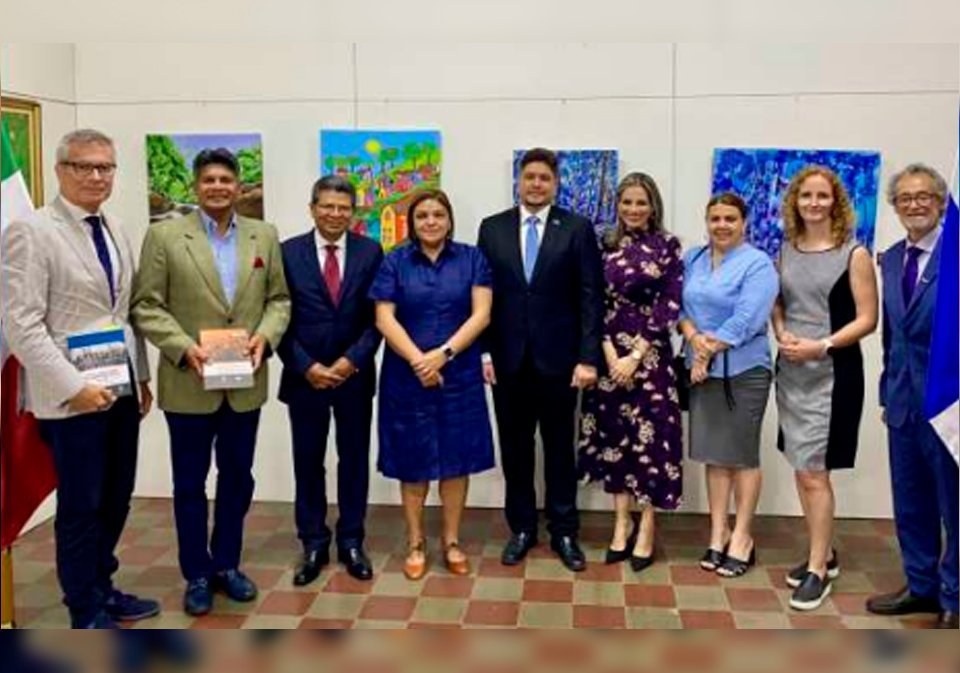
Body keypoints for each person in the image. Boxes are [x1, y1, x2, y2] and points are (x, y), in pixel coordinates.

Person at [1, 129, 158, 628]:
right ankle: (84, 609)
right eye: (83, 166)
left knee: (116, 496)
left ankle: (103, 586)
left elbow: (123, 315)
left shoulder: (115, 228)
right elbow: (22, 326)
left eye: (105, 167)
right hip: (71, 399)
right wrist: (74, 387)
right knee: (81, 505)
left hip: (119, 388)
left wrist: (141, 376)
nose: (96, 176)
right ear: (60, 170)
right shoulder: (31, 231)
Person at [132, 148, 290, 616]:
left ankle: (226, 564)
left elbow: (279, 300)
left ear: (238, 186)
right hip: (188, 382)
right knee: (189, 484)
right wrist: (184, 347)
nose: (218, 187)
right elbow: (146, 305)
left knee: (238, 479)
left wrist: (265, 338)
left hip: (244, 383)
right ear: (195, 186)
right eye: (209, 180)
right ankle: (196, 573)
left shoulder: (264, 235)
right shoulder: (164, 236)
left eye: (226, 179)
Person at [478, 147, 604, 572]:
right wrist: (484, 351)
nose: (536, 184)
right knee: (515, 450)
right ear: (518, 180)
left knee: (559, 450)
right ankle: (522, 529)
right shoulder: (492, 228)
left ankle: (564, 531)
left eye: (544, 178)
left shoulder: (577, 228)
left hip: (561, 363)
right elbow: (481, 296)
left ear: (555, 183)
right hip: (507, 360)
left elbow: (591, 296)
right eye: (529, 176)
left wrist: (588, 358)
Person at [370, 189, 494, 580]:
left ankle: (452, 541)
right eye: (422, 215)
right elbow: (384, 318)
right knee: (413, 462)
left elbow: (482, 315)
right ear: (412, 222)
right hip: (406, 377)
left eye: (438, 214)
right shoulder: (394, 261)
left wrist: (443, 354)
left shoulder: (472, 258)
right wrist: (419, 361)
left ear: (449, 219)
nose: (430, 221)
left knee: (457, 462)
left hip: (459, 375)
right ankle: (416, 542)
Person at [773, 165, 878, 611]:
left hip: (832, 376)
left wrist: (822, 345)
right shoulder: (785, 249)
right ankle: (825, 553)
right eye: (806, 196)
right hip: (791, 373)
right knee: (803, 468)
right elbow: (778, 304)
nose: (814, 203)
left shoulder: (854, 254)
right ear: (794, 202)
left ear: (836, 202)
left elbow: (868, 319)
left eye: (822, 196)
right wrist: (781, 332)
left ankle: (817, 570)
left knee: (815, 473)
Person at [278, 176, 383, 585]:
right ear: (312, 208)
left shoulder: (371, 252)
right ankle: (313, 542)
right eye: (327, 206)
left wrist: (351, 361)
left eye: (343, 207)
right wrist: (306, 366)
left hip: (353, 378)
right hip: (304, 379)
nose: (335, 214)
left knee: (353, 461)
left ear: (353, 212)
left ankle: (352, 540)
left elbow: (378, 318)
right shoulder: (287, 253)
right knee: (308, 462)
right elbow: (277, 316)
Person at [866, 164, 957, 629]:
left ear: (941, 202)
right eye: (905, 198)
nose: (915, 204)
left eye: (924, 196)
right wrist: (887, 391)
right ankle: (921, 587)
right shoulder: (891, 258)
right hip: (902, 400)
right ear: (895, 206)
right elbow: (892, 334)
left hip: (949, 402)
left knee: (953, 504)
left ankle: (954, 595)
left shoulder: (956, 254)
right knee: (911, 499)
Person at [577, 172, 683, 574]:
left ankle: (647, 526)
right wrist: (609, 354)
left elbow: (669, 303)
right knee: (615, 440)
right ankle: (621, 522)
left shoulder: (667, 246)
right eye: (627, 202)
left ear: (653, 205)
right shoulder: (602, 245)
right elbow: (593, 301)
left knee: (652, 445)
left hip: (650, 360)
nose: (634, 209)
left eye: (641, 202)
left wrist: (635, 356)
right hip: (609, 361)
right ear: (617, 205)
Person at [678, 192, 779, 578]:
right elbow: (679, 308)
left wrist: (706, 352)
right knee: (715, 455)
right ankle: (717, 533)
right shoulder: (693, 259)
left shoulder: (758, 264)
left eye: (730, 219)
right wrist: (693, 340)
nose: (721, 225)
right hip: (701, 371)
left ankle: (742, 537)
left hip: (743, 371)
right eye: (715, 219)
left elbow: (747, 319)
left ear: (744, 222)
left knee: (741, 456)